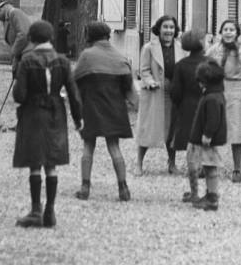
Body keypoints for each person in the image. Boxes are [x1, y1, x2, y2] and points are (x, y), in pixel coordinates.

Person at [12, 20, 82, 228]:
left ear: (31, 39)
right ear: (51, 37)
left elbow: (19, 95)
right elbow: (73, 93)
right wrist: (78, 119)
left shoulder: (27, 60)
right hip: (56, 113)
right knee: (51, 162)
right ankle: (50, 211)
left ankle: (36, 210)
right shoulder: (63, 61)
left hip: (33, 113)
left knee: (35, 163)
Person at [73, 21, 136, 202]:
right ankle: (123, 188)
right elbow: (128, 87)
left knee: (88, 146)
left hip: (91, 107)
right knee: (114, 146)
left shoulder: (87, 56)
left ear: (90, 36)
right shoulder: (119, 56)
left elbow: (75, 79)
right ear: (108, 36)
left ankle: (85, 187)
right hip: (115, 107)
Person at [135, 15, 187, 175]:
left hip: (173, 93)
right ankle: (139, 163)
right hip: (154, 92)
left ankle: (172, 163)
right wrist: (150, 82)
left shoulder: (180, 48)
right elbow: (144, 70)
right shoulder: (149, 48)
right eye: (165, 27)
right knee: (148, 127)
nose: (169, 31)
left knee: (172, 128)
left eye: (172, 27)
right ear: (159, 29)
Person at [206, 19, 241, 182]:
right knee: (211, 127)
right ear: (220, 32)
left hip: (236, 89)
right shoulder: (213, 50)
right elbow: (205, 67)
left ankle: (237, 169)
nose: (228, 32)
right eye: (225, 29)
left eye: (232, 29)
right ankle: (208, 165)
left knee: (236, 130)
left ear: (237, 33)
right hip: (217, 88)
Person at [169, 30, 208, 202]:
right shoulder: (210, 63)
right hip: (207, 104)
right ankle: (207, 175)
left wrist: (178, 103)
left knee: (191, 145)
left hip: (187, 106)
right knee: (206, 141)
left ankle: (194, 188)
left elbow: (175, 92)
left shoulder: (181, 65)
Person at [186, 59, 227, 211]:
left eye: (201, 81)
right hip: (210, 139)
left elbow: (213, 119)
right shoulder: (215, 94)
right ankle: (210, 195)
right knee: (208, 167)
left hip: (210, 140)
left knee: (210, 168)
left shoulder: (212, 98)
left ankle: (212, 199)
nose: (199, 84)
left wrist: (207, 135)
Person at [0, 0, 32, 74]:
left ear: (0, 9)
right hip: (21, 57)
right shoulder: (7, 18)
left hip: (29, 57)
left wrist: (14, 52)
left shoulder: (15, 13)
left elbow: (24, 34)